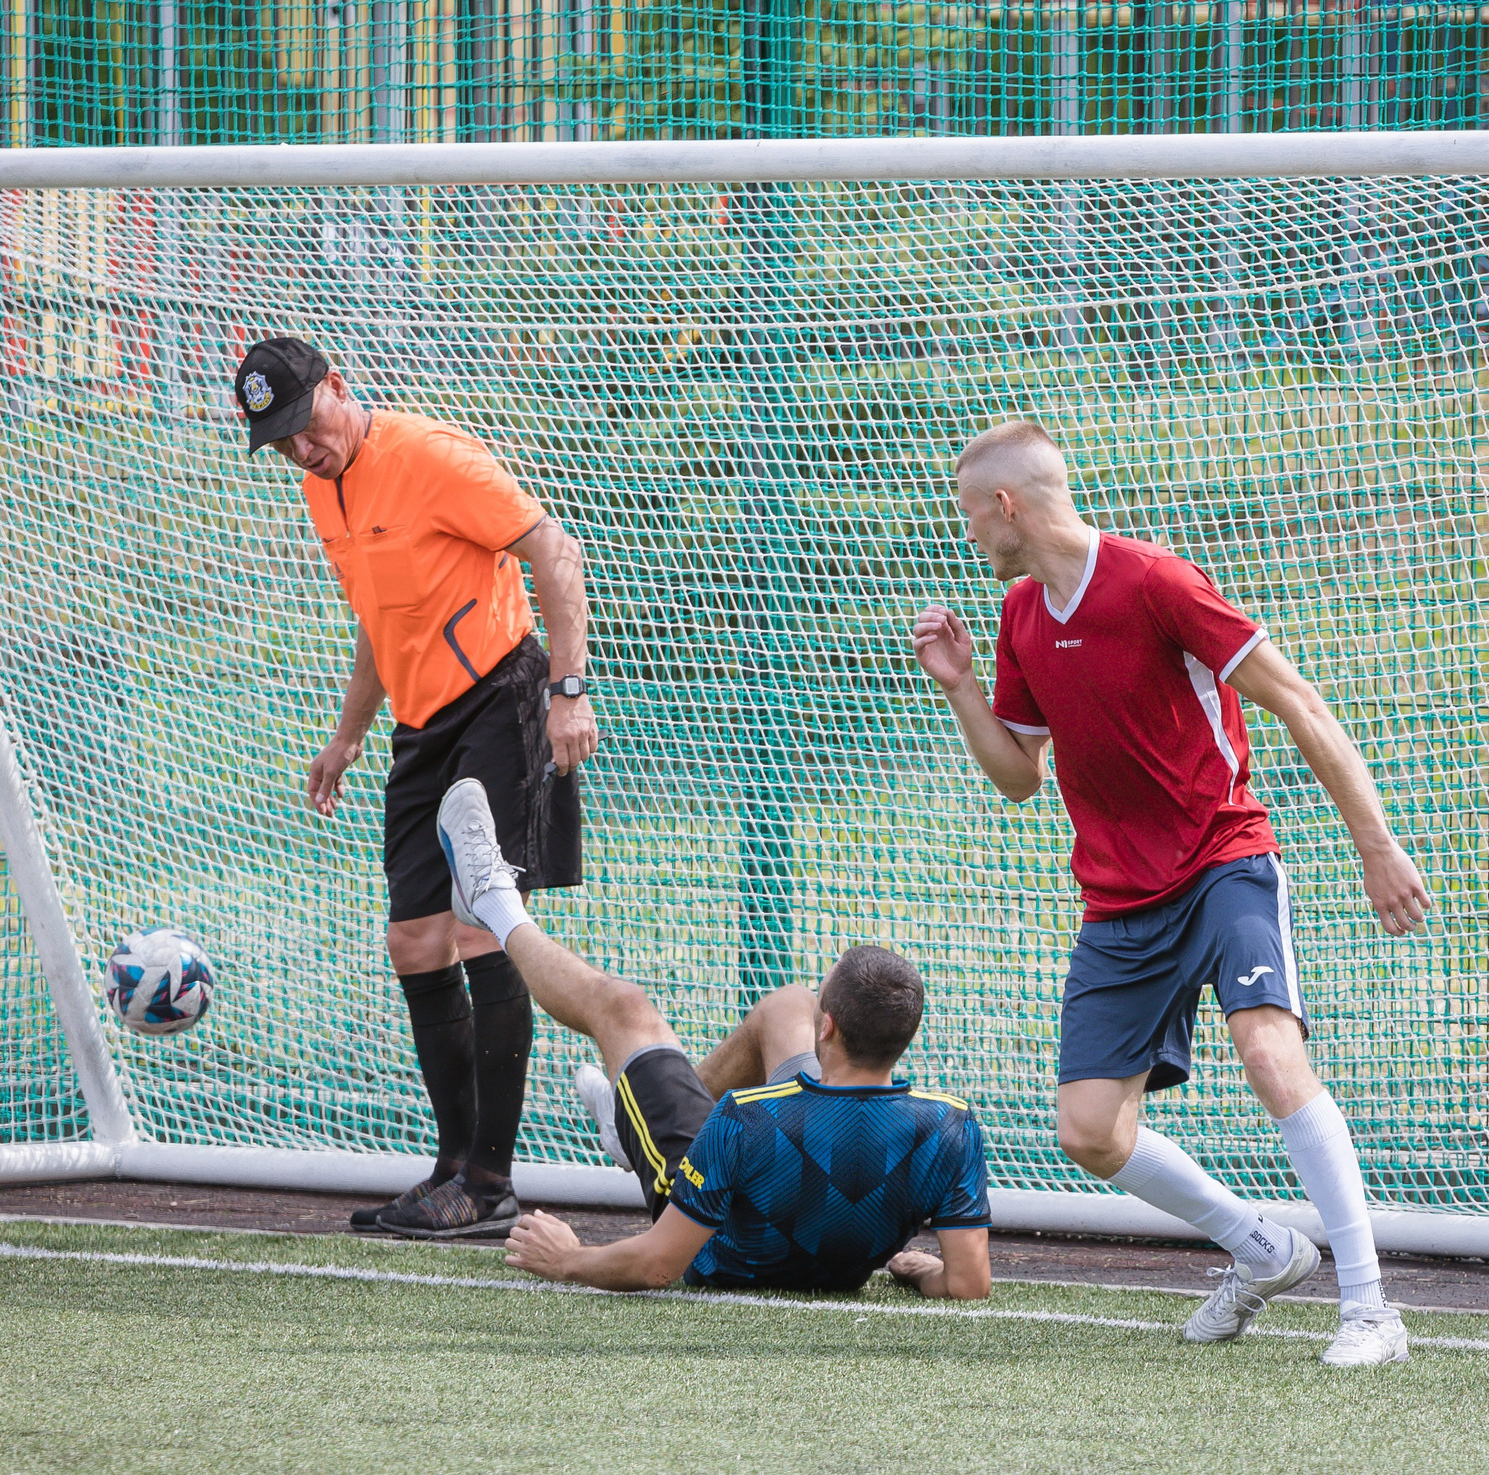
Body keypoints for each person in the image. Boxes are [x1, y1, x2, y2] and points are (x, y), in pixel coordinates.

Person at [908, 419, 1431, 1368]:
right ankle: (1262, 1249)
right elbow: (1020, 776)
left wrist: (1375, 844)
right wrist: (961, 688)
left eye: (971, 518)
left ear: (1007, 506)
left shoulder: (1157, 581)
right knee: (1089, 1130)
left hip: (1223, 858)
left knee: (1269, 1054)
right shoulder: (1022, 615)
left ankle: (1371, 1309)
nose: (971, 539)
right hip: (1119, 899)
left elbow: (1299, 702)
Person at [237, 336, 598, 1240]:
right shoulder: (321, 488)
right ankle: (451, 1172)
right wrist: (347, 736)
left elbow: (555, 550)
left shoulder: (430, 456)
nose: (300, 451)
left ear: (338, 388)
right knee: (413, 940)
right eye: (279, 441)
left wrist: (567, 688)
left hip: (503, 695)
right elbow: (377, 615)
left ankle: (490, 1180)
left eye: (304, 426)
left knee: (482, 921)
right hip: (419, 725)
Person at [432, 777, 992, 1299]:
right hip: (821, 1202)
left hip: (720, 1254)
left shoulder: (743, 1118)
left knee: (623, 1008)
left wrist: (568, 1259)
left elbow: (660, 1264)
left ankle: (490, 899)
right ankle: (630, 1114)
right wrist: (925, 1270)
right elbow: (968, 1282)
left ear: (830, 1028)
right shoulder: (952, 1126)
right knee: (784, 1004)